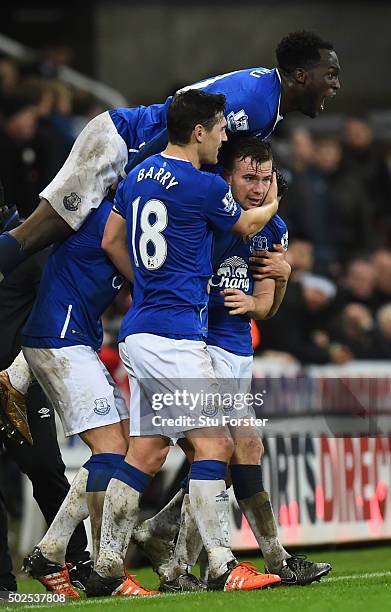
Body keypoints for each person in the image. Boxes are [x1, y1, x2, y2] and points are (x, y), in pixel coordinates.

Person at [86, 89, 282, 597]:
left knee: (147, 453)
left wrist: (146, 286)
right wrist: (275, 199)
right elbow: (247, 223)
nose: (224, 136)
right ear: (199, 131)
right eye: (219, 127)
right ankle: (222, 565)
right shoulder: (203, 185)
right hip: (175, 338)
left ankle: (107, 563)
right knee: (215, 443)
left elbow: (110, 240)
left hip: (139, 329)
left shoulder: (136, 176)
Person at [136, 136, 331, 588]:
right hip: (204, 348)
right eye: (249, 177)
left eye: (266, 179)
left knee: (220, 458)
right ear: (226, 177)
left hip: (239, 351)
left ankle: (167, 544)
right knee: (239, 448)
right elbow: (178, 276)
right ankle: (275, 559)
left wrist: (278, 283)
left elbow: (266, 308)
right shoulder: (210, 219)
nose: (259, 188)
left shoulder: (273, 228)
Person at [0, 31, 340, 280]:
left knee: (79, 255)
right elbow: (181, 125)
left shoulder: (266, 99)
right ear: (301, 76)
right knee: (41, 232)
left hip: (135, 150)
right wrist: (136, 175)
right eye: (330, 75)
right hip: (123, 141)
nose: (336, 86)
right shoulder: (256, 105)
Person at [19, 197, 135, 598]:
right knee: (112, 450)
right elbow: (141, 269)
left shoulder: (122, 214)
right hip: (61, 339)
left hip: (73, 339)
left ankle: (60, 552)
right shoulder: (114, 221)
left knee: (120, 448)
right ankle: (90, 562)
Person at [0, 179, 91, 593]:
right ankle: (3, 582)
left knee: (43, 467)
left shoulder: (30, 248)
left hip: (20, 380)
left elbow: (50, 314)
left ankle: (75, 562)